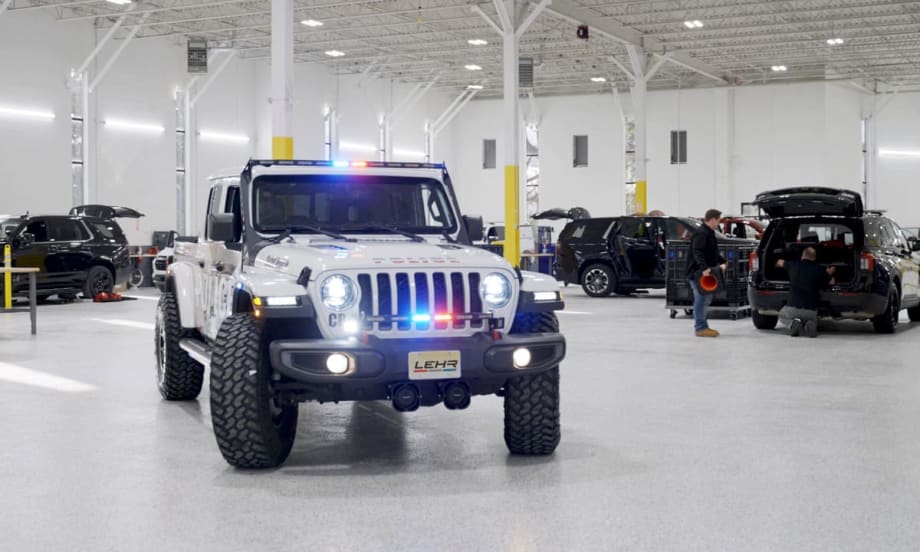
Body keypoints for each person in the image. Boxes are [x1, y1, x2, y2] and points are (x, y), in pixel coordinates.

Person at [775, 247, 835, 338]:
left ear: (802, 256)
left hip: (793, 308)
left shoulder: (793, 265)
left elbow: (779, 262)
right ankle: (810, 324)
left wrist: (776, 265)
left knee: (781, 315)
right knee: (813, 319)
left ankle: (793, 324)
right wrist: (829, 273)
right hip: (810, 311)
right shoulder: (819, 270)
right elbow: (832, 282)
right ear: (814, 258)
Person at [686, 209, 727, 337]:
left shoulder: (709, 233)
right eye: (719, 220)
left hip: (704, 271)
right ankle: (700, 328)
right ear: (713, 219)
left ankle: (703, 326)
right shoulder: (702, 233)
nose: (719, 223)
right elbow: (697, 251)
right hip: (697, 272)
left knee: (705, 298)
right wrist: (704, 268)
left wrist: (722, 261)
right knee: (701, 299)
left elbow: (712, 251)